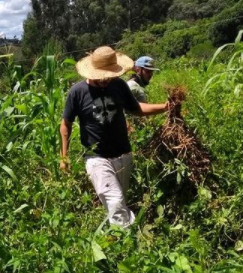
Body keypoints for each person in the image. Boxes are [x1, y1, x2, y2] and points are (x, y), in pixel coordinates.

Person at [59, 47, 168, 228]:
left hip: (123, 154)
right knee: (116, 202)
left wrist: (165, 107)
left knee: (119, 203)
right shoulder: (77, 92)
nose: (105, 80)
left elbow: (137, 109)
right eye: (101, 76)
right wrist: (64, 156)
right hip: (97, 158)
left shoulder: (119, 85)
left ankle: (114, 237)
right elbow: (66, 124)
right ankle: (127, 240)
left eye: (109, 75)